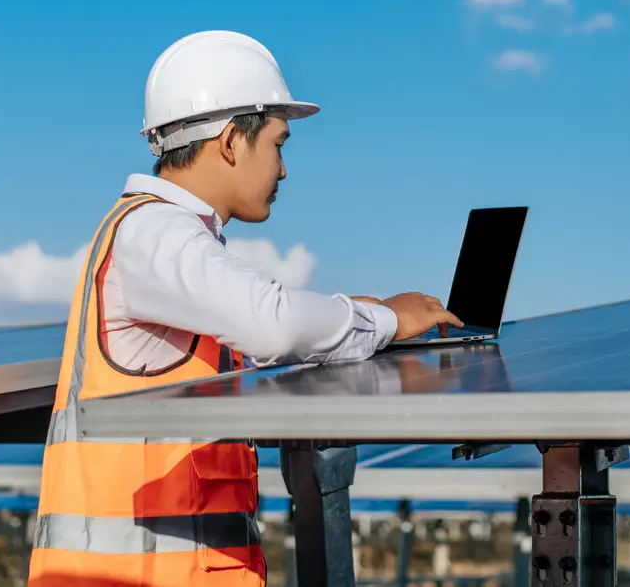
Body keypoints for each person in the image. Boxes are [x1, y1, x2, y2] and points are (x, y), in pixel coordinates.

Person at [27, 30, 462, 587]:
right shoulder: (154, 231)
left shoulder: (161, 238)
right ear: (232, 140)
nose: (283, 170)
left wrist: (351, 316)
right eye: (279, 144)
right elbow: (271, 322)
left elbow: (253, 333)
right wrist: (386, 320)